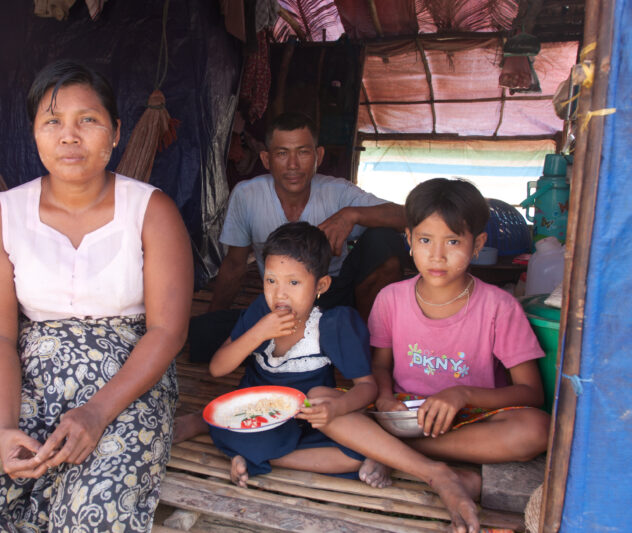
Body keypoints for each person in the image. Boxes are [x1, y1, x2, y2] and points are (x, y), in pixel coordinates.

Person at [0, 60, 193, 532]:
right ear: (35, 133)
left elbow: (168, 330)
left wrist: (97, 413)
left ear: (116, 133)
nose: (69, 136)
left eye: (88, 120)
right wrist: (2, 429)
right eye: (52, 121)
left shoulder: (150, 209)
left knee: (91, 515)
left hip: (128, 387)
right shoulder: (4, 214)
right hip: (31, 382)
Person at [207, 222, 481, 533]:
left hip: (309, 422)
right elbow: (218, 368)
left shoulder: (332, 325)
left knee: (351, 453)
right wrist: (258, 332)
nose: (279, 293)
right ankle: (255, 454)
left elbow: (366, 388)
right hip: (255, 421)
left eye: (294, 282)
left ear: (321, 285)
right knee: (230, 431)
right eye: (271, 280)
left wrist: (335, 409)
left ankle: (252, 458)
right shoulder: (260, 312)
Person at [190, 111, 407, 362]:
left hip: (336, 296)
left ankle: (373, 348)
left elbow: (405, 215)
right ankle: (320, 343)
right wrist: (215, 316)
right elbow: (235, 264)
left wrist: (351, 214)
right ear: (266, 159)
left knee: (384, 240)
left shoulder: (338, 192)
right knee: (203, 335)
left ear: (319, 156)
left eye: (303, 152)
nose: (293, 164)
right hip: (283, 302)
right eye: (282, 153)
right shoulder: (247, 195)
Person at [367, 178, 550, 465]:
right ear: (409, 239)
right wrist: (385, 398)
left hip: (473, 416)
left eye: (453, 241)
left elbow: (531, 393)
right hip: (405, 413)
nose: (437, 256)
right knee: (330, 401)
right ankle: (400, 444)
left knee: (537, 429)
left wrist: (462, 395)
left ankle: (400, 451)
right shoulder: (390, 298)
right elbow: (380, 365)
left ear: (477, 244)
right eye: (425, 240)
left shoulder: (498, 306)